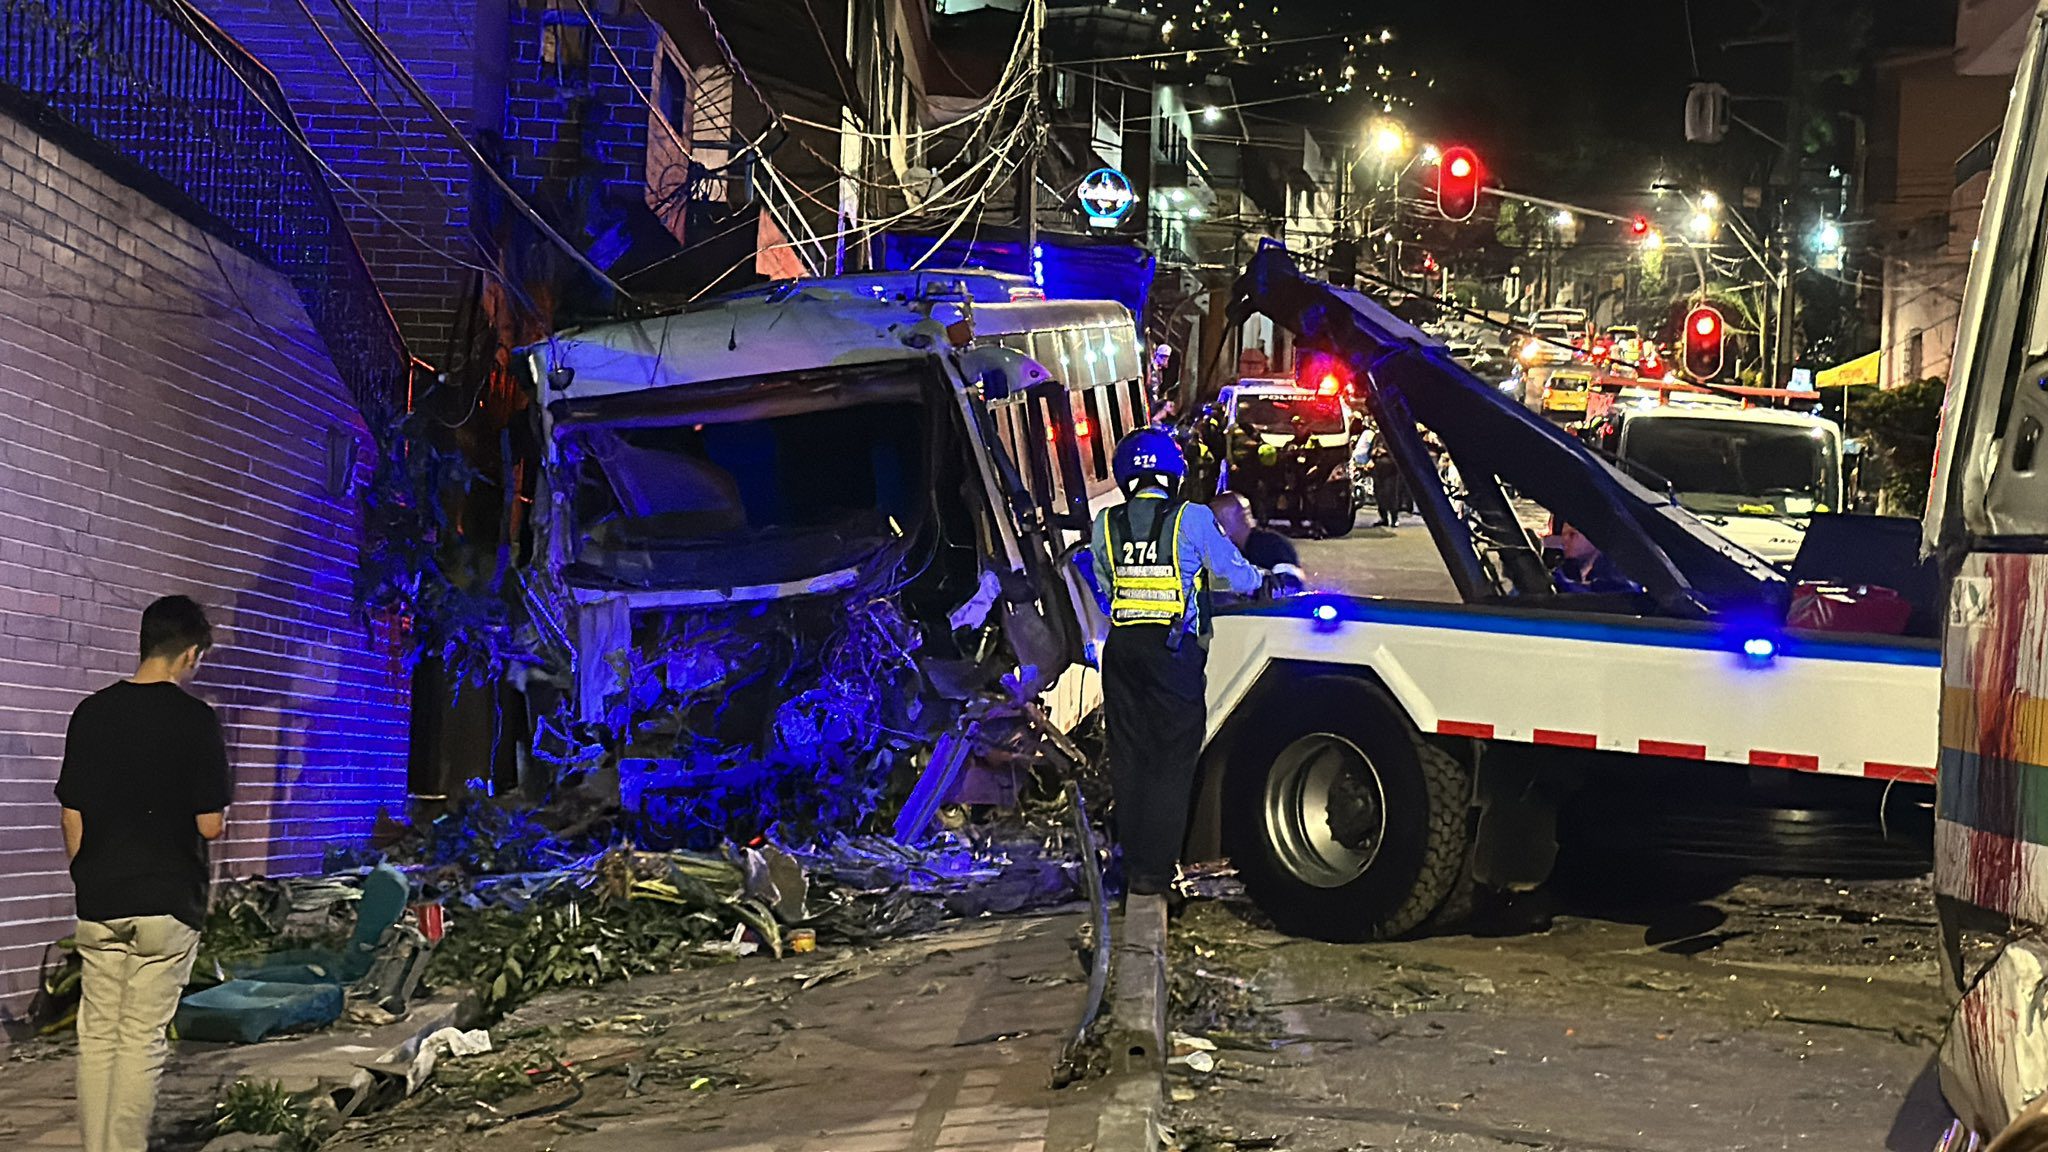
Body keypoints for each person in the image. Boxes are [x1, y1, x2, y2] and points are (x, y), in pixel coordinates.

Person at [1086, 428, 1263, 1062]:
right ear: (1172, 473)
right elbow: (1233, 574)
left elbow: (1100, 582)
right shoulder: (1189, 519)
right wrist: (1263, 582)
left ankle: (1134, 865)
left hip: (1123, 653)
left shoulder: (1106, 523)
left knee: (1130, 762)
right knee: (1171, 763)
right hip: (1171, 655)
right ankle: (1156, 875)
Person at [57, 596, 233, 1152]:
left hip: (101, 897)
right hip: (167, 899)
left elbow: (71, 811)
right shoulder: (195, 720)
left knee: (98, 1036)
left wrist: (88, 874)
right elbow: (209, 826)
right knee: (140, 1039)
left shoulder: (91, 713)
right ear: (189, 654)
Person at [1209, 491, 1306, 596]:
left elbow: (1289, 588)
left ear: (1232, 518)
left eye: (1216, 522)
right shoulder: (1230, 552)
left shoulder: (1272, 547)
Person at [1369, 435, 1405, 527]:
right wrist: (1373, 452)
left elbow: (1398, 452)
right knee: (1379, 494)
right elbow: (1371, 450)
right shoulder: (1377, 436)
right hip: (1378, 469)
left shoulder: (1394, 436)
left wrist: (1384, 452)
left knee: (1391, 493)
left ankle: (1394, 518)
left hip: (1391, 469)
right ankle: (1383, 517)